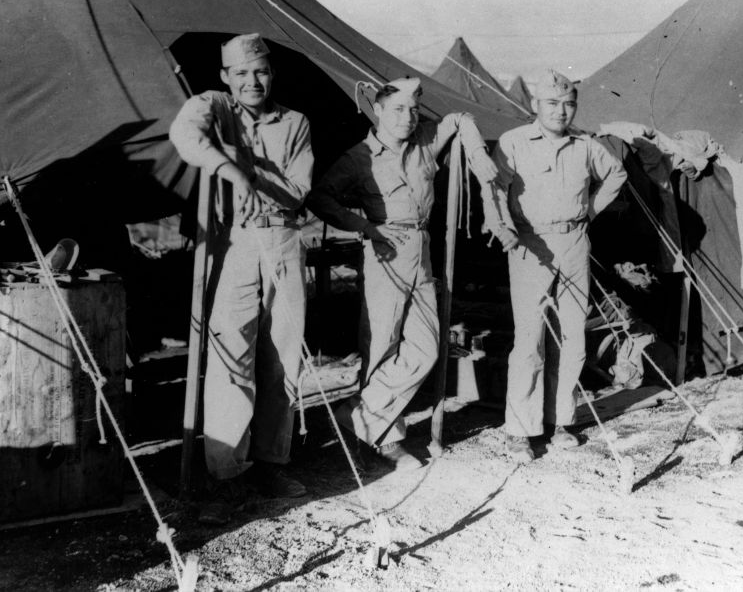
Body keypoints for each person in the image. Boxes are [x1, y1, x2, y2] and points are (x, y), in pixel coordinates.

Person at [307, 77, 499, 469]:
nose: (407, 118)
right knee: (381, 346)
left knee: (428, 347)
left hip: (422, 250)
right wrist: (364, 227)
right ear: (377, 110)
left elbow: (461, 118)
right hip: (384, 253)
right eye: (397, 109)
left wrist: (481, 161)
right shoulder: (359, 157)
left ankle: (357, 415)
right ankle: (388, 441)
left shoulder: (426, 141)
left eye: (413, 110)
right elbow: (320, 198)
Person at [169, 33, 313, 501]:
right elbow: (185, 135)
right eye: (242, 73)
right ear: (225, 77)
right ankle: (225, 472)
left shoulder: (295, 121)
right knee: (232, 353)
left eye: (262, 71)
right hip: (233, 241)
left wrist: (246, 167)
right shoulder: (216, 107)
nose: (254, 81)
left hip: (284, 237)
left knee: (282, 357)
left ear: (272, 74)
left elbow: (297, 189)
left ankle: (272, 462)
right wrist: (230, 168)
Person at [486, 69, 627, 462]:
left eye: (568, 104)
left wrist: (589, 213)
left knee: (571, 336)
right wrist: (505, 226)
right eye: (552, 104)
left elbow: (617, 174)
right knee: (529, 337)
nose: (561, 112)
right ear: (535, 105)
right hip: (531, 243)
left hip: (574, 241)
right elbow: (494, 188)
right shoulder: (513, 143)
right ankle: (520, 430)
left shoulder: (586, 145)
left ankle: (561, 420)